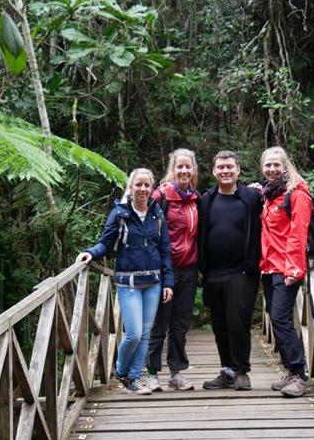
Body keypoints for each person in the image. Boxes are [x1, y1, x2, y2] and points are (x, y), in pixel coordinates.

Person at [77, 168, 174, 394]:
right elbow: (106, 242)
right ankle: (121, 370)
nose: (142, 189)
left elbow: (165, 250)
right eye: (138, 184)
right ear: (131, 187)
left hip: (153, 282)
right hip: (128, 282)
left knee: (146, 334)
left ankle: (133, 378)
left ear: (152, 188)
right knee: (134, 333)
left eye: (146, 185)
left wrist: (168, 282)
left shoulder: (157, 214)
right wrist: (90, 252)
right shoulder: (120, 213)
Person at [197, 150, 263, 390]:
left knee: (238, 322)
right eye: (220, 168)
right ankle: (226, 371)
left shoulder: (252, 197)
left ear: (238, 171)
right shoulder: (206, 199)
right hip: (213, 273)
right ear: (214, 171)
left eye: (229, 167)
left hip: (242, 272)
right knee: (219, 324)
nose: (225, 171)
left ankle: (242, 372)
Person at [259, 146, 313, 397]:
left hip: (287, 268)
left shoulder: (297, 194)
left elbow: (298, 233)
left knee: (280, 318)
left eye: (275, 165)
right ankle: (291, 372)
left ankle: (300, 375)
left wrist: (294, 268)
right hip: (270, 267)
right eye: (267, 165)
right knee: (275, 315)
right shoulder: (271, 195)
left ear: (285, 166)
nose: (271, 169)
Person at [145, 149, 200, 391]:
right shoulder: (161, 197)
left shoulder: (196, 198)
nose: (184, 171)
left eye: (188, 167)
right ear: (173, 169)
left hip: (189, 269)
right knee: (159, 322)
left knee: (180, 324)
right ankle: (152, 373)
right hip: (164, 270)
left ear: (194, 170)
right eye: (180, 167)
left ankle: (175, 373)